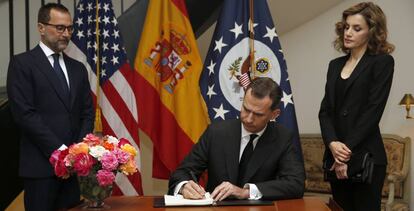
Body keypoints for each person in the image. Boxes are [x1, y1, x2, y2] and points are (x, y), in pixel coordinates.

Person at [7, 3, 94, 211]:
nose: (66, 34)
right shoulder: (22, 64)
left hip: (72, 171)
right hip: (40, 169)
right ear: (41, 27)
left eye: (70, 28)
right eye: (60, 28)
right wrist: (61, 151)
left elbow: (87, 112)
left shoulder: (78, 68)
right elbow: (24, 115)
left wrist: (76, 151)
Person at [168, 77, 305, 201]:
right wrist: (184, 186)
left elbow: (295, 184)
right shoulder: (216, 133)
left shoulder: (282, 138)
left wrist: (246, 192)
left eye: (258, 114)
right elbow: (182, 172)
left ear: (274, 114)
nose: (249, 118)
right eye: (246, 109)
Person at [318, 2, 394, 211]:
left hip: (366, 157)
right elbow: (325, 112)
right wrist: (332, 144)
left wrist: (345, 152)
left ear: (372, 32)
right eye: (346, 27)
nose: (348, 32)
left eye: (357, 28)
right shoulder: (334, 66)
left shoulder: (382, 62)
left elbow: (373, 112)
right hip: (335, 157)